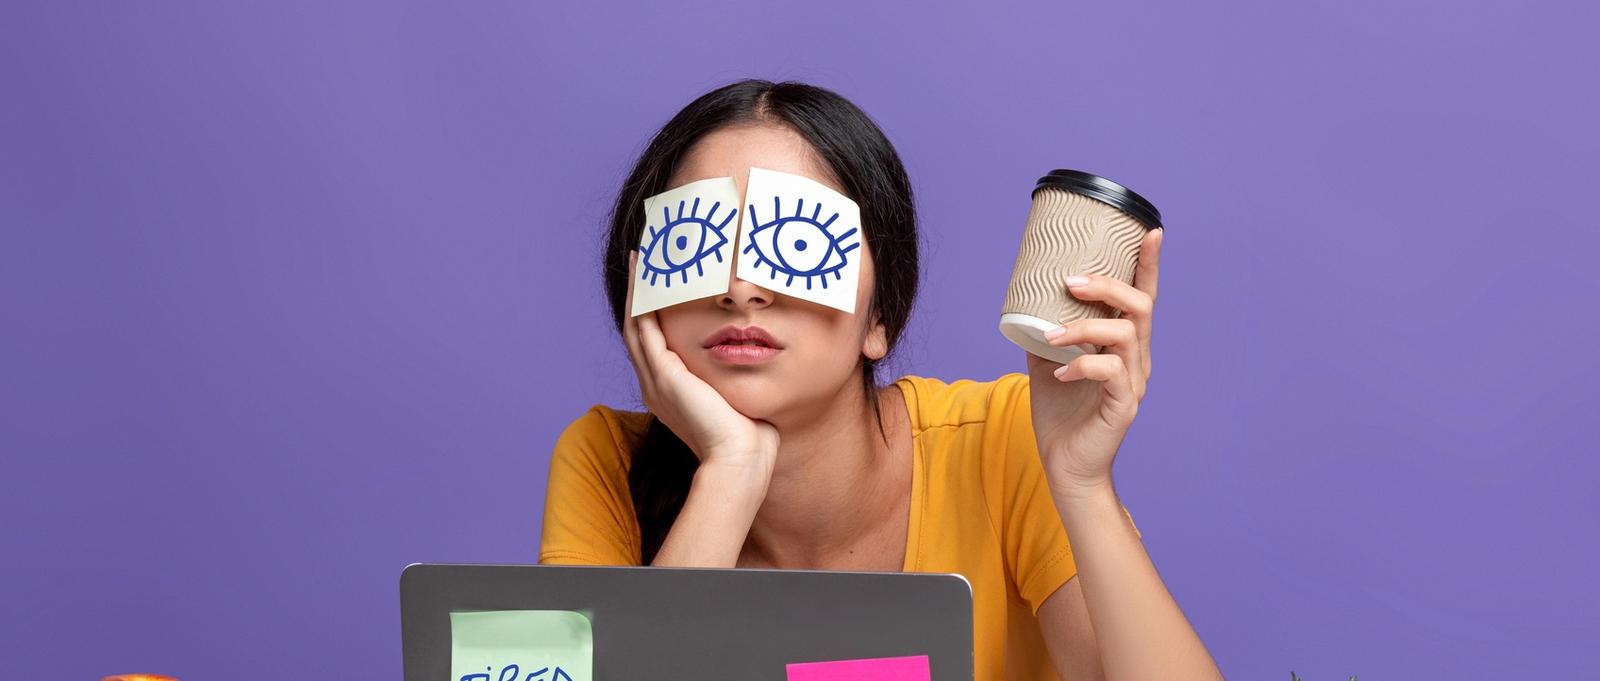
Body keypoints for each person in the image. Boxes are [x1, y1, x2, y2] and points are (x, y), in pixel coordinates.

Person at [539, 79, 1222, 681]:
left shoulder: (1000, 441)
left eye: (795, 246)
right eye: (696, 244)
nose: (742, 289)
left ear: (880, 317)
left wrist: (1082, 485)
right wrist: (730, 471)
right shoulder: (606, 460)